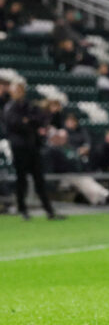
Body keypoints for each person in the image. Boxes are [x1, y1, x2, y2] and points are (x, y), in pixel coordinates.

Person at [2, 81, 62, 220]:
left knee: (39, 179)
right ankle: (23, 210)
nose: (18, 92)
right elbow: (14, 123)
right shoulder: (10, 107)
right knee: (21, 179)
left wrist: (27, 121)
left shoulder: (28, 105)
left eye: (20, 90)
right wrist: (28, 122)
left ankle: (49, 211)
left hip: (32, 146)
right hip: (19, 147)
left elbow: (40, 119)